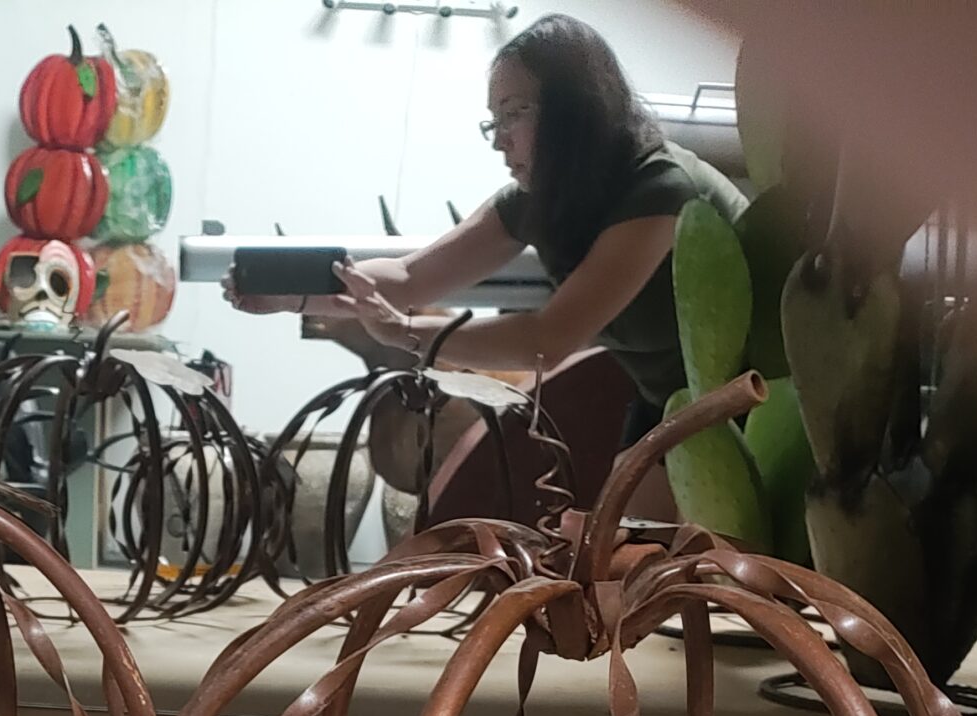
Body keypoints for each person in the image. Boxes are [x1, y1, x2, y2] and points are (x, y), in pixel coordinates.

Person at [228, 13, 744, 446]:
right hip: (671, 403)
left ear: (574, 112)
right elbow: (408, 277)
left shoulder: (660, 190)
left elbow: (548, 340)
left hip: (755, 401)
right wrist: (294, 296)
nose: (499, 140)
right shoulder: (537, 198)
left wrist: (406, 334)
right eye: (493, 121)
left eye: (514, 114)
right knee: (616, 536)